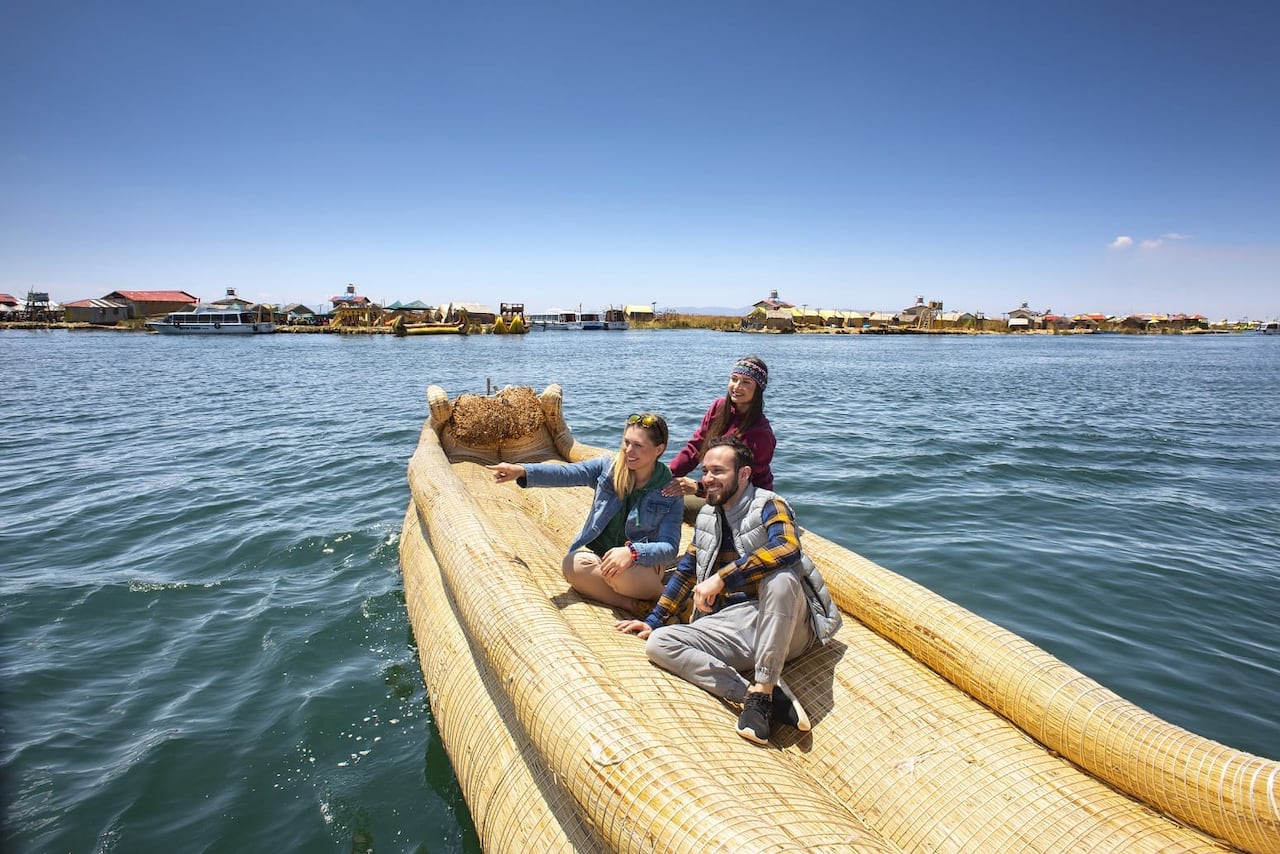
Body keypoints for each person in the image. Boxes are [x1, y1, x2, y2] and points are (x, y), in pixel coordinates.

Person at [617, 435, 842, 745]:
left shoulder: (769, 504)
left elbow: (787, 547)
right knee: (660, 644)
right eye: (706, 471)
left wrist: (723, 578)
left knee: (781, 579)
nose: (708, 479)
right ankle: (753, 695)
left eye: (719, 471)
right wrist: (654, 620)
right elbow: (686, 572)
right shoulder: (707, 515)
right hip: (735, 625)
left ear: (744, 474)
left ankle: (763, 689)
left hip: (785, 619)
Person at [487, 413, 683, 615]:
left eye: (638, 445)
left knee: (620, 575)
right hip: (602, 559)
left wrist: (632, 552)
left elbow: (669, 547)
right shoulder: (609, 468)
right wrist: (522, 471)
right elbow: (568, 473)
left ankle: (661, 596)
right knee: (572, 565)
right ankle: (629, 604)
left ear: (659, 449)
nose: (628, 451)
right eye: (626, 442)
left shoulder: (669, 491)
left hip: (640, 565)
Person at [662, 356, 775, 520]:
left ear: (758, 389)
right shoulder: (719, 407)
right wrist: (666, 473)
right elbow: (696, 447)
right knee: (659, 492)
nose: (737, 386)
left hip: (745, 503)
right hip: (716, 491)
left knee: (671, 504)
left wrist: (697, 487)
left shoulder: (761, 433)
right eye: (734, 379)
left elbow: (740, 483)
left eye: (746, 382)